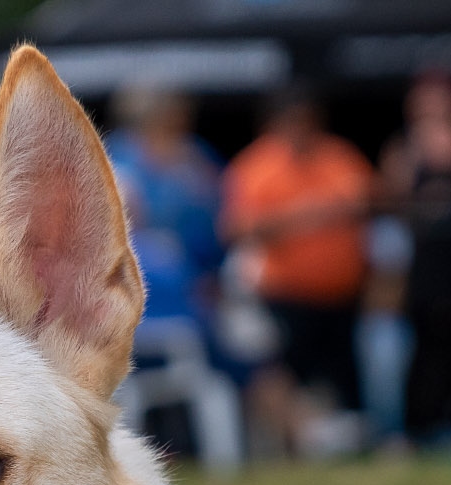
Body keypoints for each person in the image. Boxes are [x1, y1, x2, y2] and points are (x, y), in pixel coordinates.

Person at [222, 87, 374, 454]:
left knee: (345, 378)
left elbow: (364, 202)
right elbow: (237, 228)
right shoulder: (255, 167)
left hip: (342, 294)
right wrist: (302, 216)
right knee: (291, 379)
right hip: (285, 296)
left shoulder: (339, 157)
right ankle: (298, 448)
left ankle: (352, 446)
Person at [391, 75, 451, 447]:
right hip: (425, 271)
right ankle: (419, 428)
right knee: (426, 353)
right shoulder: (405, 153)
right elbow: (394, 206)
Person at [107, 87, 224, 339]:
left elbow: (217, 218)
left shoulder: (197, 157)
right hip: (141, 276)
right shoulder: (118, 155)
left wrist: (213, 274)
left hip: (198, 277)